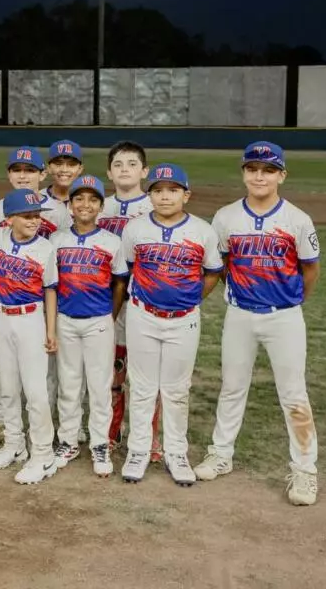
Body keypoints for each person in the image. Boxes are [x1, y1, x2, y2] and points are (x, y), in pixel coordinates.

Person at [196, 142, 321, 506]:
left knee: (294, 394)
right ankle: (221, 453)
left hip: (283, 316)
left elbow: (310, 269)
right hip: (240, 315)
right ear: (244, 174)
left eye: (268, 170)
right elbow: (217, 266)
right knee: (232, 387)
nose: (259, 176)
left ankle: (305, 471)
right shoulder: (225, 217)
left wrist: (294, 300)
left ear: (281, 175)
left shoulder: (297, 219)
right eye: (252, 169)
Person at [119, 163, 222, 486]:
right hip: (143, 314)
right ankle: (138, 449)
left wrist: (189, 299)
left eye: (173, 190)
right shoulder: (135, 229)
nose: (165, 197)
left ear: (186, 195)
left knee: (177, 389)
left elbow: (212, 272)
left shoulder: (202, 231)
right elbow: (130, 268)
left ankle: (176, 452)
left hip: (182, 319)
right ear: (150, 195)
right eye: (158, 191)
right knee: (142, 386)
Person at [0, 146, 70, 452]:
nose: (23, 175)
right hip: (7, 305)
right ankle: (3, 427)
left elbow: (62, 255)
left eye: (30, 170)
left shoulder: (58, 211)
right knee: (2, 373)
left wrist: (50, 323)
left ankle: (43, 436)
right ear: (9, 174)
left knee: (42, 378)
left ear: (41, 174)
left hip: (37, 303)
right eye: (17, 169)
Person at [49, 175, 128, 478]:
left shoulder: (111, 241)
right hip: (66, 319)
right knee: (69, 384)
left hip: (98, 320)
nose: (85, 204)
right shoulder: (56, 240)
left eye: (92, 199)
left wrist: (109, 315)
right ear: (69, 205)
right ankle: (68, 440)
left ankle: (99, 443)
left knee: (99, 385)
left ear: (100, 206)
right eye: (79, 199)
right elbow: (50, 285)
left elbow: (119, 283)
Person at [0, 189, 60, 485]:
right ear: (10, 218)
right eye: (27, 216)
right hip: (3, 317)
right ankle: (14, 444)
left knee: (36, 392)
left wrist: (50, 330)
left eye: (37, 215)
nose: (34, 221)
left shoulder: (45, 248)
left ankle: (42, 454)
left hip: (31, 319)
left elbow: (50, 290)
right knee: (7, 387)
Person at [97, 140, 161, 457]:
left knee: (147, 374)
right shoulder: (97, 206)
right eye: (118, 164)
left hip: (141, 300)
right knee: (113, 371)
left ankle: (148, 437)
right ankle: (111, 431)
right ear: (109, 172)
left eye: (132, 164)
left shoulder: (156, 207)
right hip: (104, 300)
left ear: (144, 171)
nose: (125, 170)